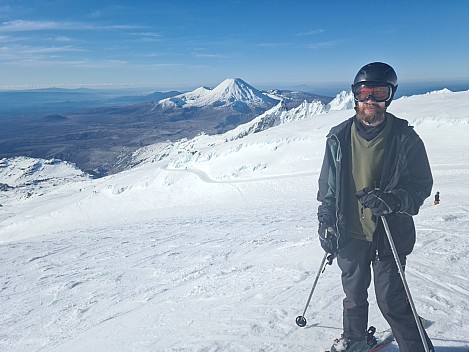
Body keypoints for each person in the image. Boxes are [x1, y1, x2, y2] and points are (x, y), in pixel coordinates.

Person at [316, 62, 434, 352]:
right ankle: (354, 340)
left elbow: (421, 186)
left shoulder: (406, 138)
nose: (370, 100)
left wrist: (394, 201)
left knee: (390, 300)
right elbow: (328, 187)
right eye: (364, 92)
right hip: (350, 233)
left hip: (389, 233)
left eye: (378, 92)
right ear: (355, 95)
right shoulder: (338, 137)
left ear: (389, 96)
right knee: (353, 296)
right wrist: (326, 220)